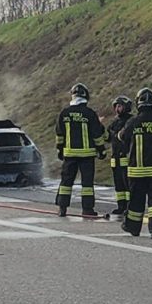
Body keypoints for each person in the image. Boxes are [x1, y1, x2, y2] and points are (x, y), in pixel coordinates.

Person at [119, 87, 152, 239]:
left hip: (137, 171)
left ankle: (133, 227)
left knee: (136, 201)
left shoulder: (133, 122)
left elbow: (123, 137)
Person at [54, 83, 107, 217]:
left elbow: (59, 135)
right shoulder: (90, 114)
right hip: (87, 155)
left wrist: (60, 150)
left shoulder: (64, 113)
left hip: (69, 154)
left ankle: (62, 208)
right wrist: (101, 150)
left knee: (66, 182)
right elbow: (97, 134)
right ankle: (87, 209)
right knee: (87, 185)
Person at [106, 95, 133, 215]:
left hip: (126, 159)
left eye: (120, 106)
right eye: (116, 106)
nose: (117, 109)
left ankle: (129, 206)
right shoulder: (115, 122)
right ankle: (121, 206)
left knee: (127, 185)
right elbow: (107, 138)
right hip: (115, 159)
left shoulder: (131, 121)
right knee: (118, 186)